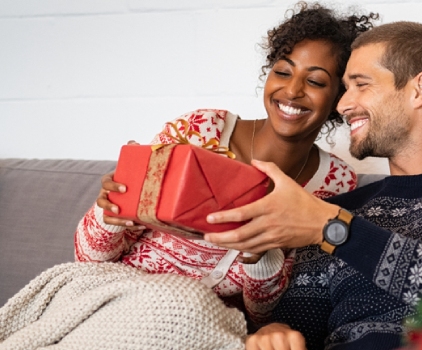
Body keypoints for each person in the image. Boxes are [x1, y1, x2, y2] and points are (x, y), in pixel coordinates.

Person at [204, 21, 422, 349]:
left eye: (361, 85)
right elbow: (297, 326)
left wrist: (332, 230)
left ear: (419, 89)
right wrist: (272, 334)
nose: (342, 105)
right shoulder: (340, 208)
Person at [74, 1, 378, 330]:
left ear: (339, 97)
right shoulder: (198, 130)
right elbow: (88, 262)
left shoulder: (334, 184)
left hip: (206, 329)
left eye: (315, 82)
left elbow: (266, 316)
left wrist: (260, 253)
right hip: (118, 306)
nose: (292, 90)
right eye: (282, 71)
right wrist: (111, 213)